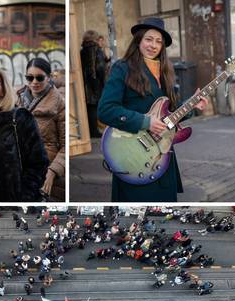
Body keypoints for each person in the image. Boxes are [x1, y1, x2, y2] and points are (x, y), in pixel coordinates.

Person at [97, 17, 208, 202]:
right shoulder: (122, 68)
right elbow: (106, 110)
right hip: (133, 154)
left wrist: (193, 106)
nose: (153, 45)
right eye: (149, 39)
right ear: (139, 40)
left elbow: (170, 118)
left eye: (159, 41)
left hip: (161, 157)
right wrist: (146, 122)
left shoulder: (166, 73)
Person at [0, 65, 49, 201]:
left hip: (11, 200)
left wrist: (24, 196)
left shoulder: (20, 119)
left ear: (2, 91)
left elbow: (38, 163)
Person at [17, 58, 65, 201]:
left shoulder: (59, 104)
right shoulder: (18, 100)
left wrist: (52, 171)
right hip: (20, 170)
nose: (34, 82)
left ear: (49, 77)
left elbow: (66, 146)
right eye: (29, 77)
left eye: (40, 77)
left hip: (46, 172)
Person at [81, 30, 108, 138]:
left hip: (86, 84)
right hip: (96, 83)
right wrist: (103, 81)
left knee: (90, 107)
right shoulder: (97, 50)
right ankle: (96, 131)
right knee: (97, 107)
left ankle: (91, 130)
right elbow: (100, 68)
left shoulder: (82, 51)